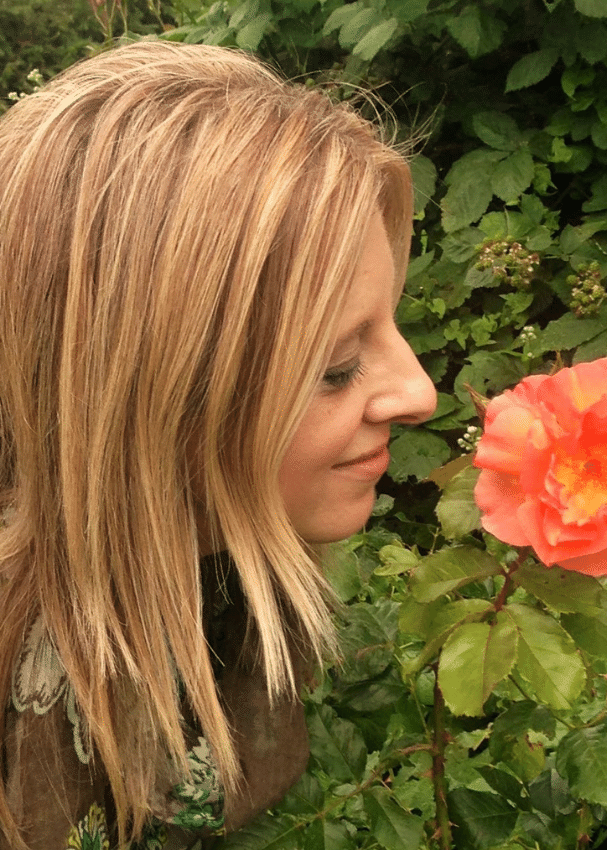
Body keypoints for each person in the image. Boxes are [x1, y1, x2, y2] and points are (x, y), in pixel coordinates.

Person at [0, 40, 436, 849]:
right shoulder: (29, 750)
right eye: (336, 368)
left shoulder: (230, 581)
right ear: (151, 405)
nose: (420, 393)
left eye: (390, 326)